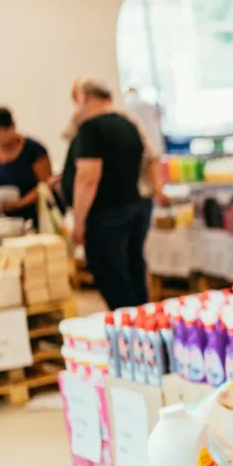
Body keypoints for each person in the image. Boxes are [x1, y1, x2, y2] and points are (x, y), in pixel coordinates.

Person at [67, 78, 152, 310]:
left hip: (106, 214)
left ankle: (127, 330)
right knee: (134, 271)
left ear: (84, 98)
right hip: (135, 207)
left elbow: (88, 178)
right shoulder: (128, 125)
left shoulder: (91, 129)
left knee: (113, 277)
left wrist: (79, 220)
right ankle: (145, 326)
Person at [0, 106, 52, 225]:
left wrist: (20, 203)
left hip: (28, 219)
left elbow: (46, 185)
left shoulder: (34, 150)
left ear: (11, 127)